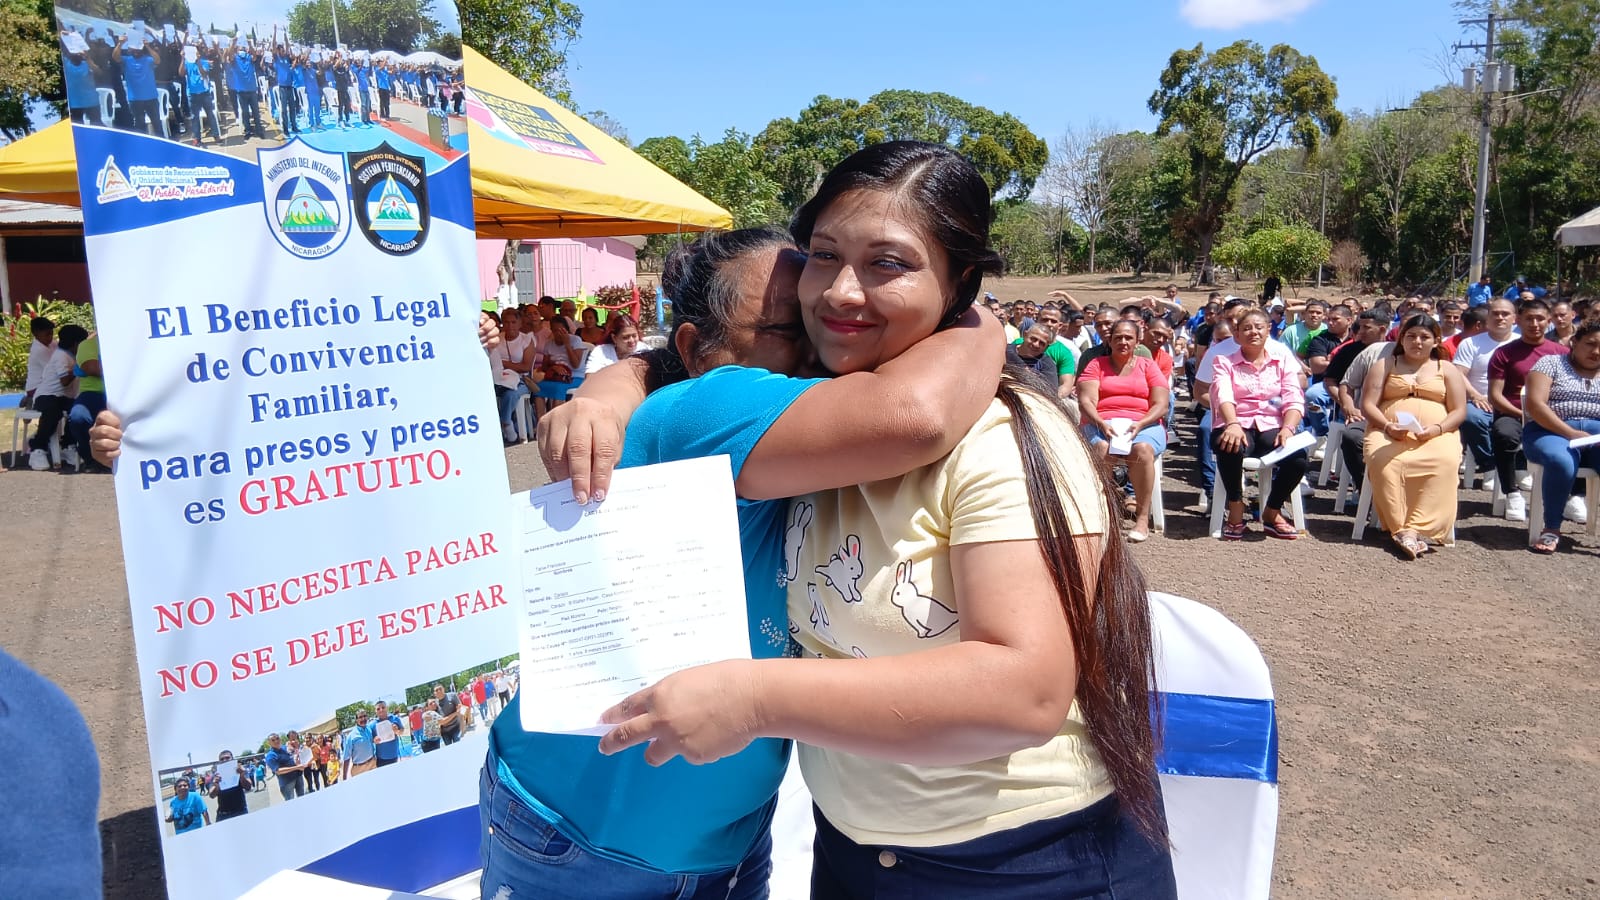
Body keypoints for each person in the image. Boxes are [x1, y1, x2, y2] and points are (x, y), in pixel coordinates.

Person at [571, 142, 1174, 896]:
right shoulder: (815, 423)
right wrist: (619, 381)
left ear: (959, 284)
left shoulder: (1003, 439)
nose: (841, 292)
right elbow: (696, 385)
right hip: (855, 856)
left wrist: (754, 698)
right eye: (824, 256)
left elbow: (1025, 690)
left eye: (888, 263)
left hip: (1026, 865)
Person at [487, 222, 1007, 898]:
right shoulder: (706, 412)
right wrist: (978, 322)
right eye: (791, 331)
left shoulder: (788, 424)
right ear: (693, 351)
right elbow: (917, 413)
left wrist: (616, 383)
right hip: (587, 843)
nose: (823, 349)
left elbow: (645, 369)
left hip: (718, 840)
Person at [1359, 315, 1467, 558]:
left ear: (1436, 341)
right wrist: (1388, 426)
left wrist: (1437, 429)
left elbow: (1459, 410)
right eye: (1411, 336)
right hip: (1388, 432)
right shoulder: (1385, 364)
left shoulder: (1447, 369)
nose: (1417, 341)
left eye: (1424, 337)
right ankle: (1401, 529)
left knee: (1445, 461)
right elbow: (1368, 405)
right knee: (1383, 460)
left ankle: (1416, 528)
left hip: (1437, 433)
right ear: (1401, 339)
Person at [1210, 308, 1308, 541]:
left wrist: (1288, 428)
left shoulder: (1282, 361)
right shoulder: (1223, 362)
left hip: (1272, 424)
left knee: (1298, 458)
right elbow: (1223, 395)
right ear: (1237, 334)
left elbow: (1293, 397)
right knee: (1230, 444)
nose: (1253, 332)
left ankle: (1272, 511)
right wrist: (1232, 423)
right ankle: (1236, 505)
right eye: (1246, 328)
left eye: (1258, 327)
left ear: (1268, 330)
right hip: (1236, 421)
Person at [1077, 318, 1171, 543]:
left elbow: (1161, 404)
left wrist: (1141, 424)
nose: (1123, 342)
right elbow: (1086, 401)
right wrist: (1101, 422)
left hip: (1143, 424)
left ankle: (1142, 517)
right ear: (1109, 340)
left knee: (1142, 449)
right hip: (1100, 423)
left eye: (1129, 337)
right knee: (1101, 448)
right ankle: (1103, 511)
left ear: (1137, 341)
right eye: (1118, 337)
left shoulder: (1148, 366)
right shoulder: (1096, 365)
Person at [1522, 321, 1600, 552]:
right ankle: (1552, 528)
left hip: (1596, 435)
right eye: (1590, 344)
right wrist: (1571, 433)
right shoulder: (1550, 363)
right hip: (1549, 430)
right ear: (1574, 342)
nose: (1596, 351)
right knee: (1561, 461)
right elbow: (1536, 405)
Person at [1488, 299, 1568, 522]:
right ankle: (1512, 492)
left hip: (1553, 415)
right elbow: (1495, 396)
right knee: (1503, 433)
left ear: (1549, 321)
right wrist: (1523, 414)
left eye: (1540, 319)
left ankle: (1574, 494)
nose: (1534, 324)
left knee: (1579, 434)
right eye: (1529, 319)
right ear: (1519, 321)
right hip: (1514, 413)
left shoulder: (1562, 353)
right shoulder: (1504, 353)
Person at [1453, 297, 1519, 490]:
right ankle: (1491, 465)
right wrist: (1475, 396)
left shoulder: (1521, 343)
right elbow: (1458, 374)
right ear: (1488, 318)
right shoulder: (1470, 343)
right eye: (1495, 314)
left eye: (1505, 314)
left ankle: (1515, 467)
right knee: (1470, 417)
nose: (1500, 318)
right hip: (1479, 401)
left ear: (1514, 318)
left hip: (1512, 404)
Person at [26, 324, 86, 471]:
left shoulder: (71, 355)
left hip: (63, 397)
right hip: (46, 396)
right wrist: (77, 370)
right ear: (76, 344)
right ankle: (37, 448)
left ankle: (67, 446)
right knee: (52, 412)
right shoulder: (61, 356)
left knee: (78, 411)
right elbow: (64, 381)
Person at [1007, 323, 1075, 398]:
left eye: (1042, 343)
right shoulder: (1005, 351)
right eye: (1033, 339)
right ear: (1025, 335)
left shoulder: (1047, 364)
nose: (1036, 344)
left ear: (1047, 347)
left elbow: (1050, 392)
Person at [211, 749, 251, 820]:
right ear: (219, 761)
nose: (224, 760)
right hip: (223, 814)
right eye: (222, 759)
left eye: (227, 758)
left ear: (232, 759)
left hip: (241, 811)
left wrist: (241, 775)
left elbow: (248, 787)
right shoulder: (216, 775)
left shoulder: (240, 770)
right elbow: (212, 795)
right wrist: (217, 785)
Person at [264, 733, 303, 800]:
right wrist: (296, 767)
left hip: (298, 776)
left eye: (277, 738)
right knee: (290, 802)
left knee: (302, 797)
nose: (276, 741)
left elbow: (295, 754)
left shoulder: (285, 748)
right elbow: (278, 771)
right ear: (269, 743)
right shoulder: (270, 756)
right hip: (287, 782)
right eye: (273, 740)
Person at [341, 711, 377, 778]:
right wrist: (344, 776)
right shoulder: (351, 736)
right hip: (359, 770)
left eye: (365, 716)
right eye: (360, 717)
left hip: (373, 764)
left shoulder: (369, 729)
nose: (363, 719)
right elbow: (346, 757)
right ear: (356, 720)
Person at [370, 701, 405, 767]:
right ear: (375, 711)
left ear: (387, 708)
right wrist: (374, 740)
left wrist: (397, 731)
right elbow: (370, 739)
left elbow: (402, 730)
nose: (381, 710)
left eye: (383, 707)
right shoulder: (372, 725)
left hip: (393, 756)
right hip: (380, 758)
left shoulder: (395, 718)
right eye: (378, 709)